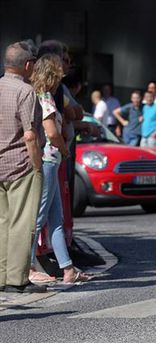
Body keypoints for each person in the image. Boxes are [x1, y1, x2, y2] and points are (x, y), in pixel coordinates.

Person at [29, 54, 92, 284]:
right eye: (57, 75)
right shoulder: (43, 97)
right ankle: (26, 267)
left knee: (56, 217)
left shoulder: (43, 96)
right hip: (48, 160)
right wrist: (64, 150)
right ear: (51, 75)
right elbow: (52, 132)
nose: (59, 80)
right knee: (39, 216)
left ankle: (67, 269)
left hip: (51, 162)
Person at [0, 41, 46, 293]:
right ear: (28, 65)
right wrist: (36, 164)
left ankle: (1, 277)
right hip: (21, 166)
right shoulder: (25, 92)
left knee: (1, 223)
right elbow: (30, 135)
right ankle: (17, 280)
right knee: (21, 224)